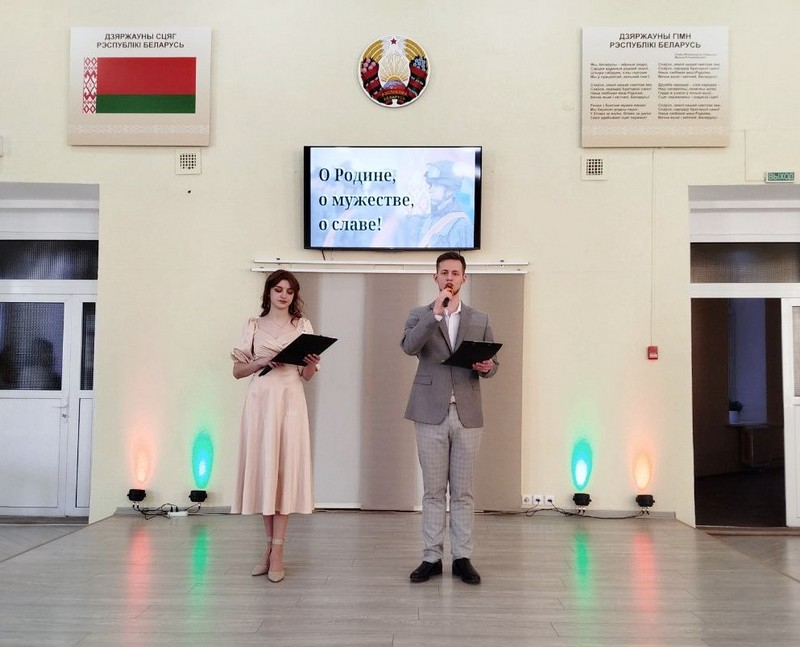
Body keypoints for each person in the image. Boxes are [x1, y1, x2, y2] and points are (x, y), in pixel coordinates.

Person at [401, 251, 499, 585]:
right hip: (429, 412)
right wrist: (435, 315)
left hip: (467, 413)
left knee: (463, 491)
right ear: (436, 278)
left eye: (455, 273)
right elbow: (409, 347)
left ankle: (462, 557)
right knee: (432, 491)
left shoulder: (480, 318)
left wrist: (487, 366)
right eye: (444, 273)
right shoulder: (419, 315)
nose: (449, 278)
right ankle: (431, 557)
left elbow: (493, 364)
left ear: (464, 279)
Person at [230, 269, 321, 583]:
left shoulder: (303, 326)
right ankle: (269, 549)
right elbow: (237, 371)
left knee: (283, 472)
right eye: (279, 289)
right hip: (260, 401)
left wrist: (310, 363)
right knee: (266, 471)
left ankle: (278, 551)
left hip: (290, 400)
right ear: (268, 292)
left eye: (289, 291)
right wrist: (259, 362)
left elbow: (307, 376)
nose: (284, 295)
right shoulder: (253, 325)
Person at [416, 161, 473, 249]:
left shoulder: (462, 224)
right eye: (431, 185)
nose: (430, 190)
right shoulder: (429, 219)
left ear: (450, 189)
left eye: (436, 185)